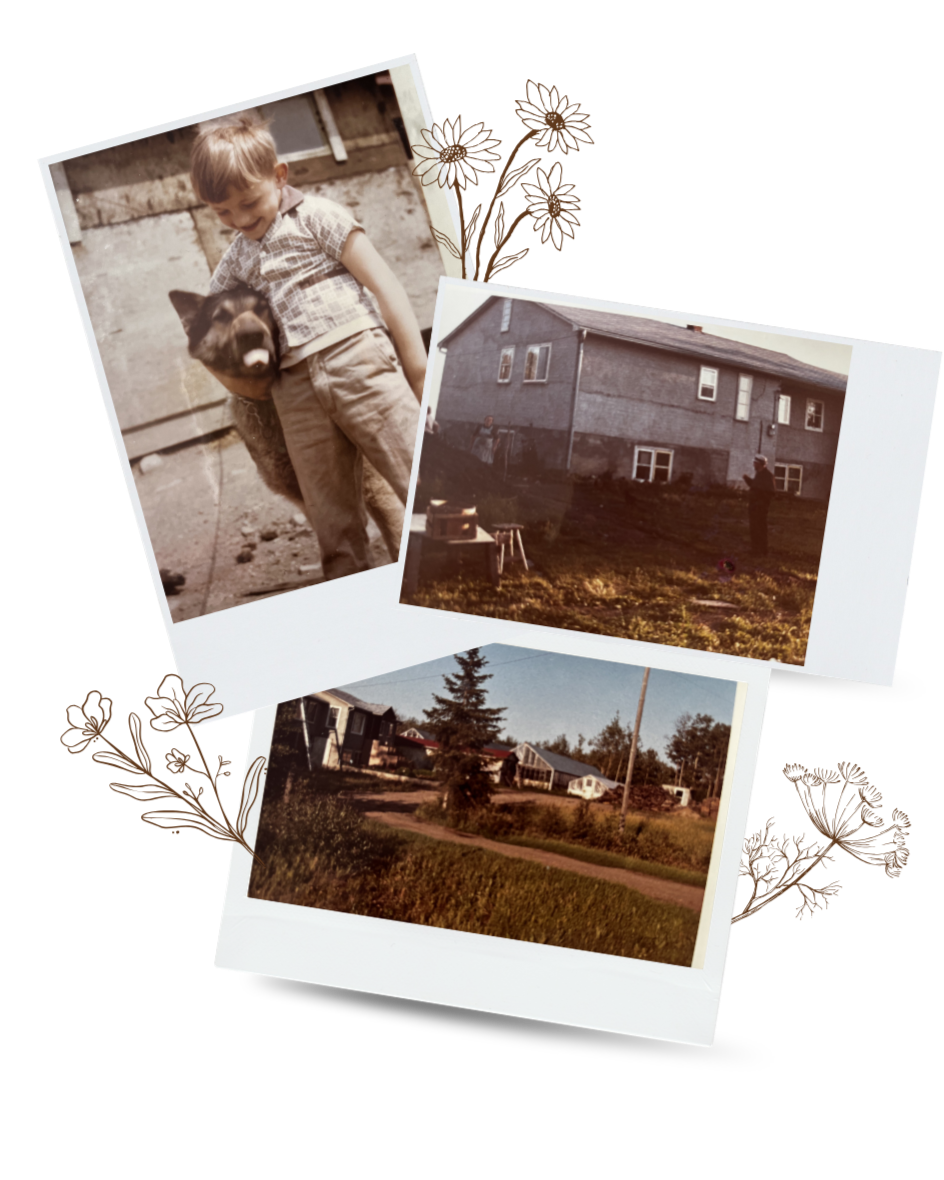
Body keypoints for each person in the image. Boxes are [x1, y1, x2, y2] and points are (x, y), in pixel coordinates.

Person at [190, 117, 425, 580]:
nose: (239, 219)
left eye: (249, 201)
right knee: (331, 517)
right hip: (293, 390)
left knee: (419, 474)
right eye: (221, 212)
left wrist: (417, 371)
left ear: (279, 176)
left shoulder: (319, 216)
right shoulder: (236, 258)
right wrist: (248, 388)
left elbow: (386, 285)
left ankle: (476, 580)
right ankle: (356, 595)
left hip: (356, 356)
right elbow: (201, 331)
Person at [742, 454, 776, 556]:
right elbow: (755, 486)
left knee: (760, 528)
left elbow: (770, 492)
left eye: (755, 463)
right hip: (754, 506)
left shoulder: (768, 476)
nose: (753, 464)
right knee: (754, 528)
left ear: (759, 464)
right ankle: (755, 549)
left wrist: (760, 502)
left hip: (760, 507)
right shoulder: (759, 474)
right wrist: (747, 479)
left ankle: (762, 550)